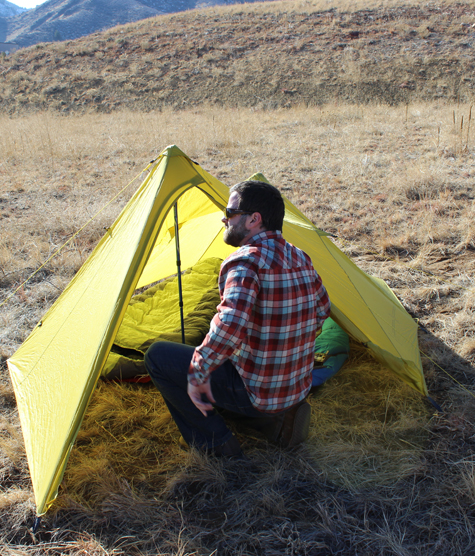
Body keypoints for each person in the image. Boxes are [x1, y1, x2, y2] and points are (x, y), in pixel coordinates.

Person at [145, 180, 330, 458]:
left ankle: (217, 444)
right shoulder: (300, 257)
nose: (224, 218)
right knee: (227, 358)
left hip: (256, 392)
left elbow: (229, 325)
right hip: (295, 387)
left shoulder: (245, 261)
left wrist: (198, 371)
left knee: (158, 356)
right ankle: (277, 422)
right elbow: (322, 311)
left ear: (254, 219)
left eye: (230, 212)